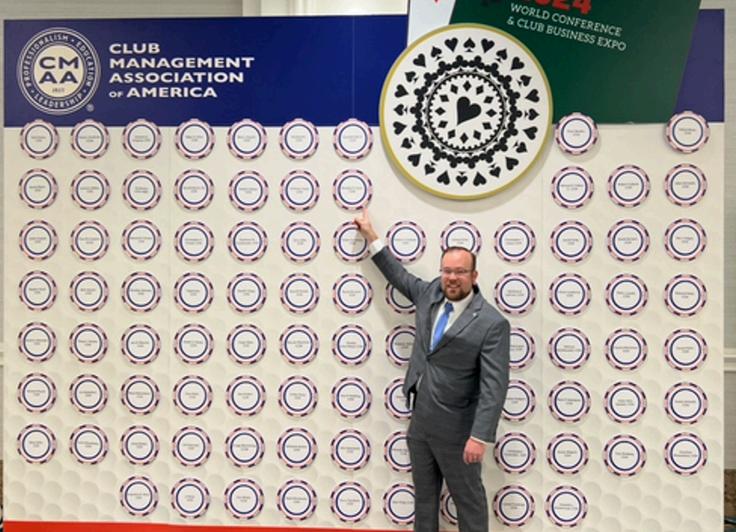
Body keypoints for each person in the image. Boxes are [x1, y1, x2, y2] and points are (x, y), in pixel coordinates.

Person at [354, 210, 510, 532]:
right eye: (447, 271)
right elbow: (398, 275)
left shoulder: (492, 323)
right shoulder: (429, 294)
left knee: (468, 502)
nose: (452, 278)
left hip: (459, 432)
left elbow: (494, 387)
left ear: (474, 276)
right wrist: (371, 236)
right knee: (424, 502)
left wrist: (479, 436)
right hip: (421, 424)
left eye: (460, 272)